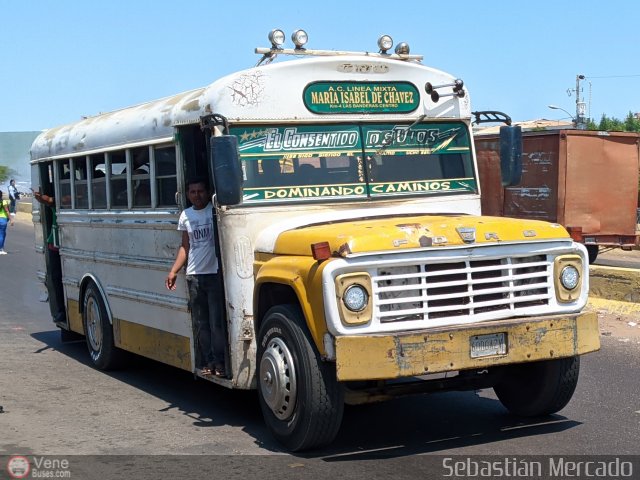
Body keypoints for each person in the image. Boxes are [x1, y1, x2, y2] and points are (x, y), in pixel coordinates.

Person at [165, 178, 226, 377]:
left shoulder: (215, 211)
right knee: (202, 323)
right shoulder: (186, 215)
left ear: (208, 193)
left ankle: (220, 361)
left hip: (214, 274)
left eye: (200, 191)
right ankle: (208, 361)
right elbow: (185, 246)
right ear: (188, 194)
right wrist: (174, 270)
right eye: (193, 191)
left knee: (217, 323)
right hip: (194, 275)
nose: (197, 195)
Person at [33, 190, 66, 324]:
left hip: (56, 243)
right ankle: (61, 309)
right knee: (56, 278)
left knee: (57, 278)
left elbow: (48, 200)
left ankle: (61, 311)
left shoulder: (63, 199)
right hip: (55, 243)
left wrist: (39, 197)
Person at [0, 190, 15, 255]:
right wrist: (11, 219)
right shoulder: (3, 202)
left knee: (2, 234)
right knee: (2, 235)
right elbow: (7, 211)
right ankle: (1, 249)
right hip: (3, 219)